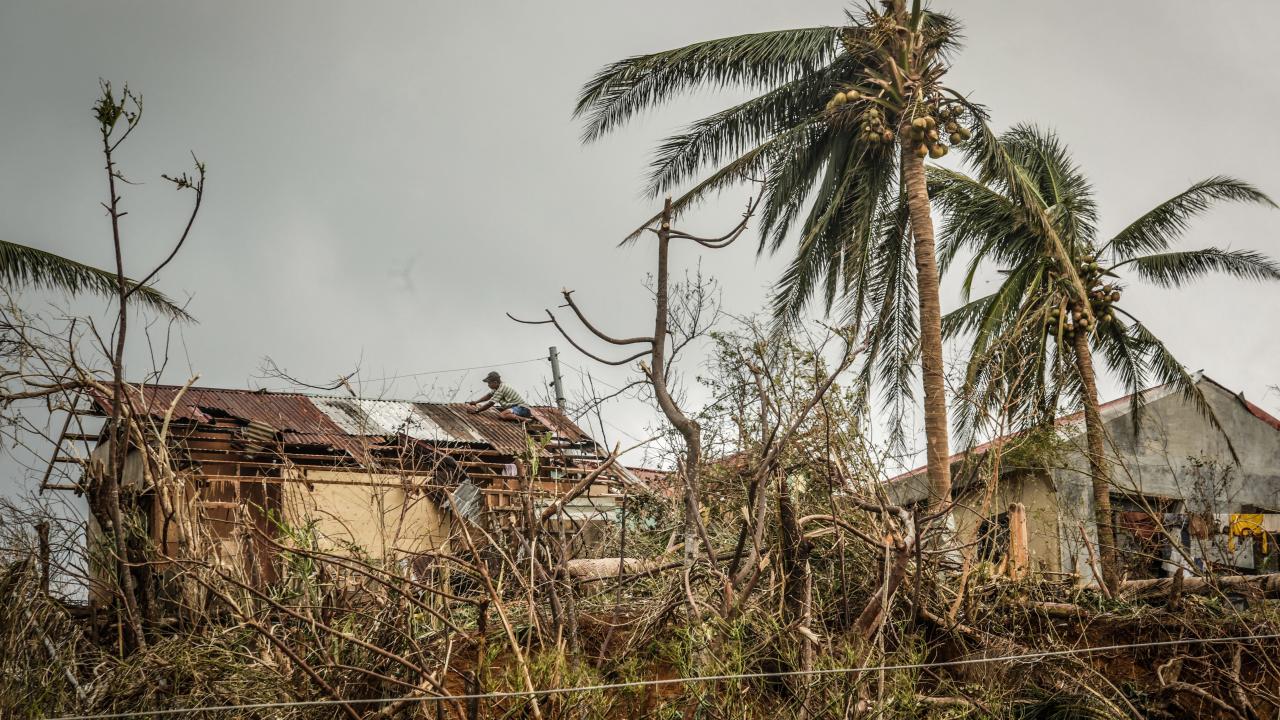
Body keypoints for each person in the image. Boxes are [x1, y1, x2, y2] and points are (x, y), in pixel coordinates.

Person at [467, 371, 533, 422]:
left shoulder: (501, 389)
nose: (488, 385)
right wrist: (476, 402)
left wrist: (477, 410)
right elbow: (488, 396)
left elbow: (490, 403)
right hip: (516, 408)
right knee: (502, 413)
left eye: (489, 383)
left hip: (522, 408)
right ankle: (518, 417)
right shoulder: (497, 388)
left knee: (502, 415)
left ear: (495, 382)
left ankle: (524, 419)